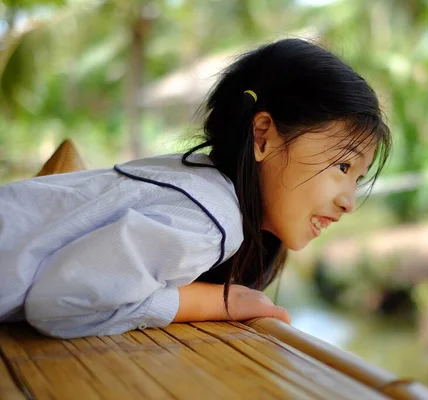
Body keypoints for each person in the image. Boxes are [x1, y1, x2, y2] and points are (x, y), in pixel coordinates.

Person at [0, 38, 391, 338]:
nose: (349, 202)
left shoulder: (194, 184)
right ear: (263, 135)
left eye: (357, 177)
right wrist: (217, 302)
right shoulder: (207, 218)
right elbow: (61, 302)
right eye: (341, 165)